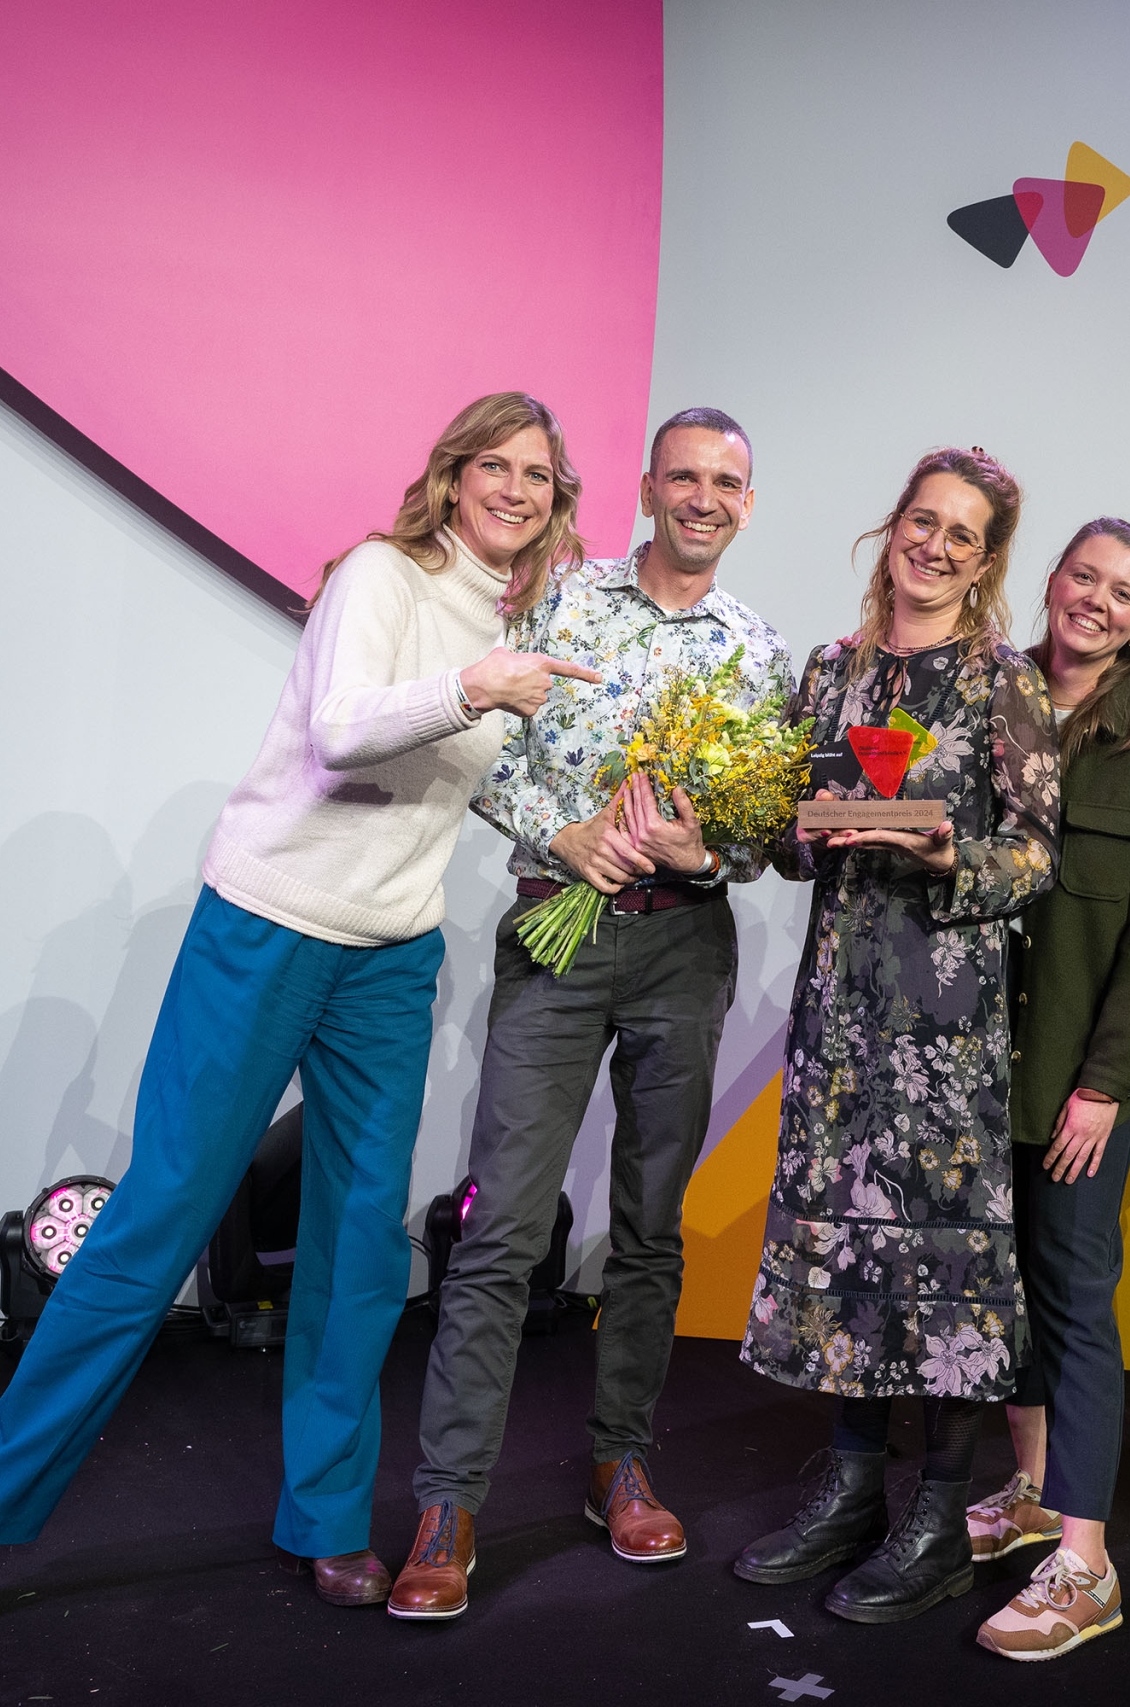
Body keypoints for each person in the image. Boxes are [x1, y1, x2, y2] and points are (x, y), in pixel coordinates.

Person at [0, 393, 602, 1636]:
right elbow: (342, 735)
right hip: (268, 922)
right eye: (496, 464)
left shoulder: (507, 622)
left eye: (538, 475)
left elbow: (461, 785)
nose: (516, 489)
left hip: (389, 957)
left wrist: (569, 831)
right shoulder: (383, 578)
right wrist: (476, 685)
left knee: (361, 1249)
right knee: (158, 1221)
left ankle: (327, 1522)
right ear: (450, 475)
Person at [389, 408, 790, 1618]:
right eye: (686, 476)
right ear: (649, 486)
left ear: (746, 502)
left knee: (650, 1228)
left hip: (683, 946)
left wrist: (705, 848)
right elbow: (483, 755)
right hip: (555, 932)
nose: (704, 498)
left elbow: (769, 832)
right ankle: (447, 1502)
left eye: (727, 481)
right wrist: (557, 833)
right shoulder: (558, 602)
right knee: (503, 1230)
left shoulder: (762, 653)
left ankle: (622, 1461)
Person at [731, 447, 1059, 1625]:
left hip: (947, 1025)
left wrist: (948, 854)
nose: (933, 545)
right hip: (841, 1016)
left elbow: (1035, 854)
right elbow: (779, 832)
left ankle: (939, 1520)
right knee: (850, 1260)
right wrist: (799, 829)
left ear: (984, 563)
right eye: (921, 521)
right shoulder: (831, 671)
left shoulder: (1001, 682)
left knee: (946, 1267)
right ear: (894, 528)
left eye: (960, 536)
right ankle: (852, 1494)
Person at [962, 520, 1130, 1661]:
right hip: (963, 1075)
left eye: (1124, 593)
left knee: (1074, 1297)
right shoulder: (982, 699)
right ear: (1049, 582)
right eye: (1084, 578)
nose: (1097, 602)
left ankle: (1086, 1560)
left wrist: (1105, 1087)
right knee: (999, 1297)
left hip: (1076, 1088)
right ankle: (1027, 1490)